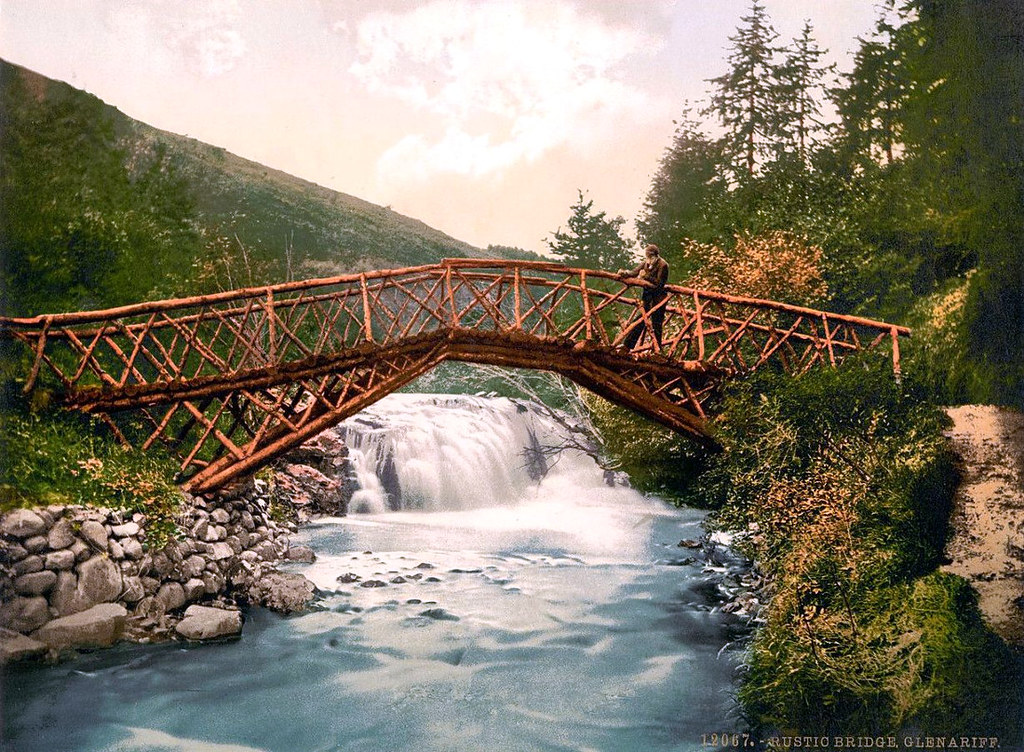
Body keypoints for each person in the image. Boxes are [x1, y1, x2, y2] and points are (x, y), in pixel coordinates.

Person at [617, 244, 670, 350]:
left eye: (649, 257)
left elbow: (660, 284)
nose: (648, 260)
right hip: (647, 298)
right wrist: (624, 273)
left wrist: (645, 276)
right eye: (647, 257)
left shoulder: (663, 265)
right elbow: (634, 272)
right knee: (640, 321)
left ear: (654, 256)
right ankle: (627, 346)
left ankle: (657, 350)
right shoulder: (646, 263)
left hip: (658, 299)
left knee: (657, 325)